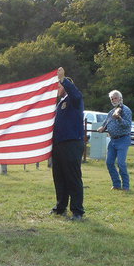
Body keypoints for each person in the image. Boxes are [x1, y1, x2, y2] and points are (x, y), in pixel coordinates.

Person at [50, 67, 85, 221]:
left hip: (71, 143)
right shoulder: (60, 103)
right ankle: (60, 207)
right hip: (58, 144)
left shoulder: (74, 100)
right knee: (59, 177)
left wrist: (64, 80)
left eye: (59, 85)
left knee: (73, 177)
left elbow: (76, 94)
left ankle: (77, 211)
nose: (57, 88)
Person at [97, 89, 132, 191]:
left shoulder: (126, 110)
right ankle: (116, 184)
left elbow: (128, 125)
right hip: (113, 141)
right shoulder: (111, 112)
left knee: (121, 163)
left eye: (115, 98)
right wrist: (102, 128)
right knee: (109, 163)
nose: (113, 100)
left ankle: (126, 186)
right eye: (112, 99)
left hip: (123, 139)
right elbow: (106, 123)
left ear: (121, 98)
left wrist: (119, 118)